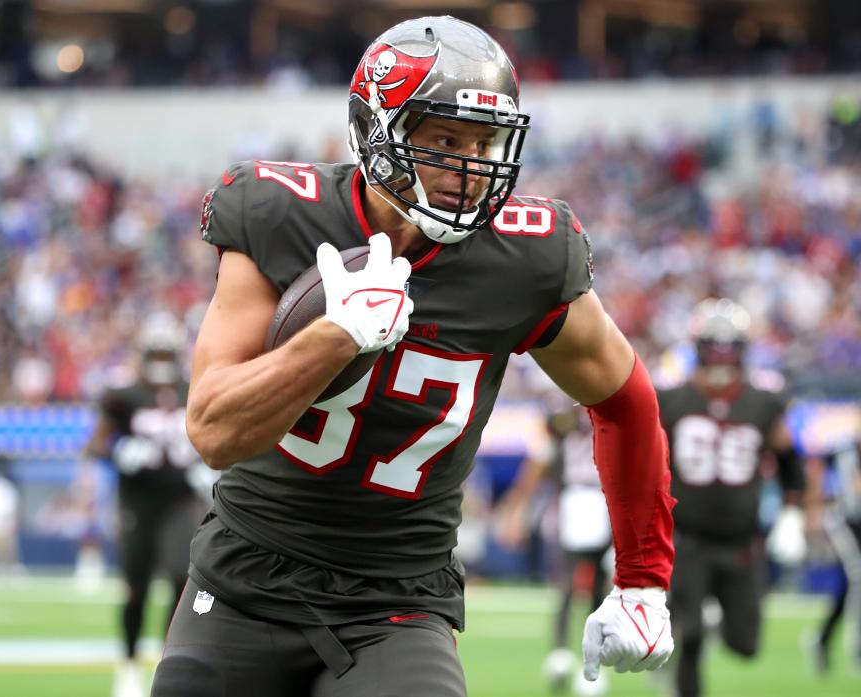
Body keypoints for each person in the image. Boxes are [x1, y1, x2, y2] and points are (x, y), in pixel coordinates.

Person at [153, 16, 676, 697]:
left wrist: (643, 579)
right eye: (444, 140)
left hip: (397, 600)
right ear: (376, 132)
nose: (471, 165)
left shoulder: (527, 257)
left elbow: (625, 399)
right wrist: (333, 335)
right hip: (244, 580)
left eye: (487, 140)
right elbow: (214, 431)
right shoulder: (282, 216)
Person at [657, 298, 806, 697]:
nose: (721, 355)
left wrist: (792, 513)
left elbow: (791, 459)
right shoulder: (671, 399)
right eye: (714, 344)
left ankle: (712, 620)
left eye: (729, 345)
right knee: (686, 635)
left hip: (740, 539)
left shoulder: (762, 401)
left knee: (745, 645)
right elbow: (645, 464)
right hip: (686, 537)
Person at [85, 311, 207, 697]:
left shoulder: (192, 389)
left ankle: (166, 660)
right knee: (135, 587)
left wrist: (206, 462)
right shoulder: (124, 394)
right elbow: (94, 444)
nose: (160, 362)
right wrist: (118, 450)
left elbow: (214, 432)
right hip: (137, 502)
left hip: (179, 500)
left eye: (165, 352)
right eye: (155, 353)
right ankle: (128, 663)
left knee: (178, 581)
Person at [497, 404, 614, 695]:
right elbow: (539, 461)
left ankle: (592, 659)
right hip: (571, 509)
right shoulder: (562, 424)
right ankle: (561, 651)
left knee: (598, 590)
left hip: (604, 508)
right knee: (567, 583)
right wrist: (516, 509)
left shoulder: (611, 419)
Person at [806, 441, 861, 673]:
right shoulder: (843, 449)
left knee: (851, 585)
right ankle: (857, 647)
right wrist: (814, 506)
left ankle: (822, 639)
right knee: (858, 577)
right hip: (844, 520)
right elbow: (815, 465)